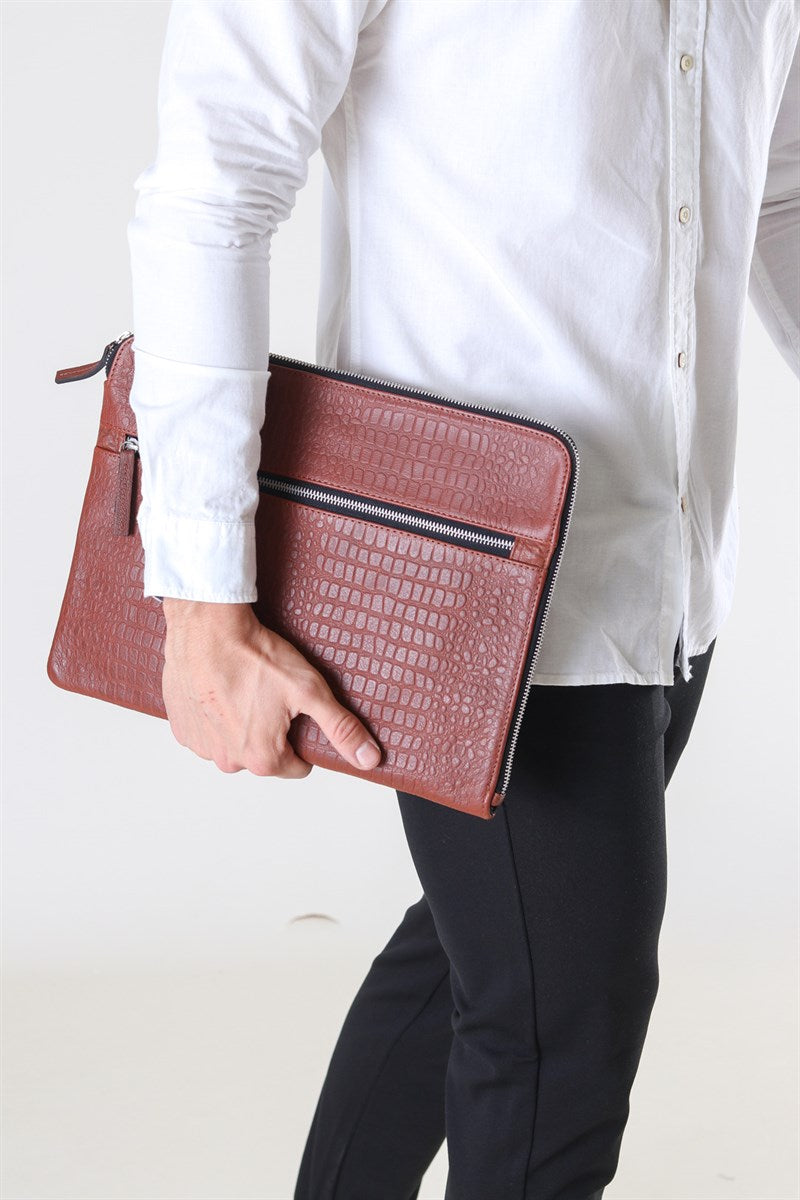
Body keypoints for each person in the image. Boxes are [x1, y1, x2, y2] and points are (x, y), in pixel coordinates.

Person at [126, 3, 799, 1197]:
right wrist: (201, 598)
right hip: (467, 577)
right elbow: (215, 179)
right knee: (557, 1041)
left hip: (664, 562)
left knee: (484, 959)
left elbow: (777, 183)